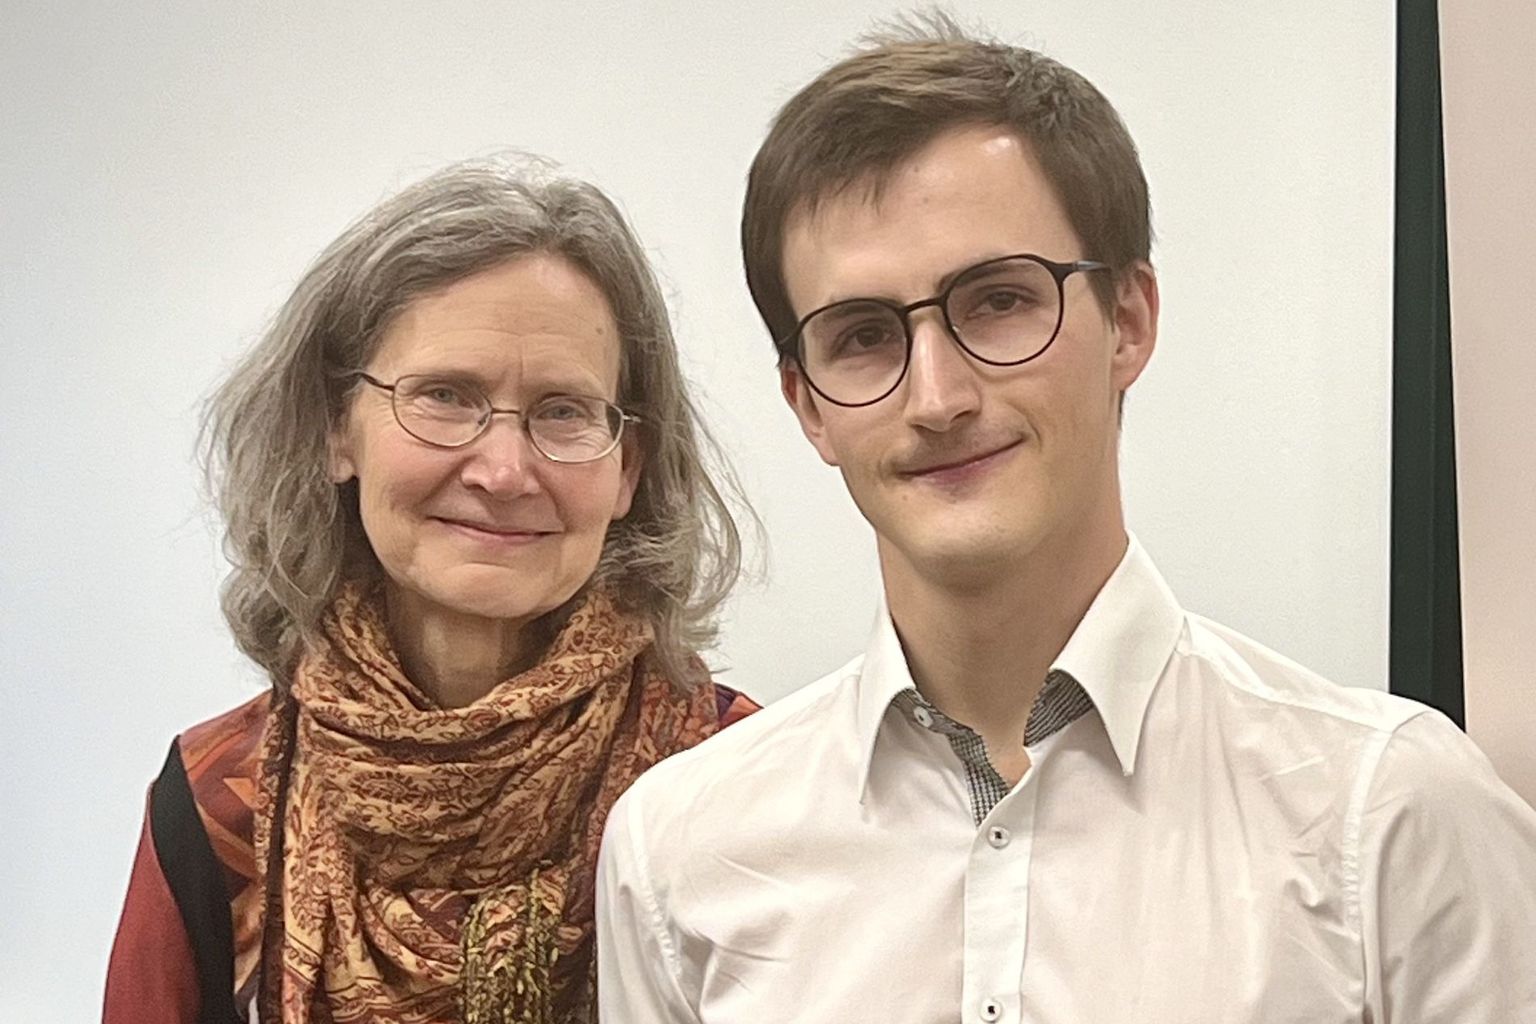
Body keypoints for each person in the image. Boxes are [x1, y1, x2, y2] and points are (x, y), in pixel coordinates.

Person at [596, 19, 1536, 1023]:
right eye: (862, 336)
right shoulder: (679, 855)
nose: (938, 397)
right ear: (809, 404)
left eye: (999, 300)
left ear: (1129, 321)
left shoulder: (1386, 817)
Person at [104, 157, 757, 1024]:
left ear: (627, 468)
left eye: (564, 410)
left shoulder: (745, 783)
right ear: (337, 429)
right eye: (446, 396)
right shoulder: (217, 799)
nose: (504, 471)